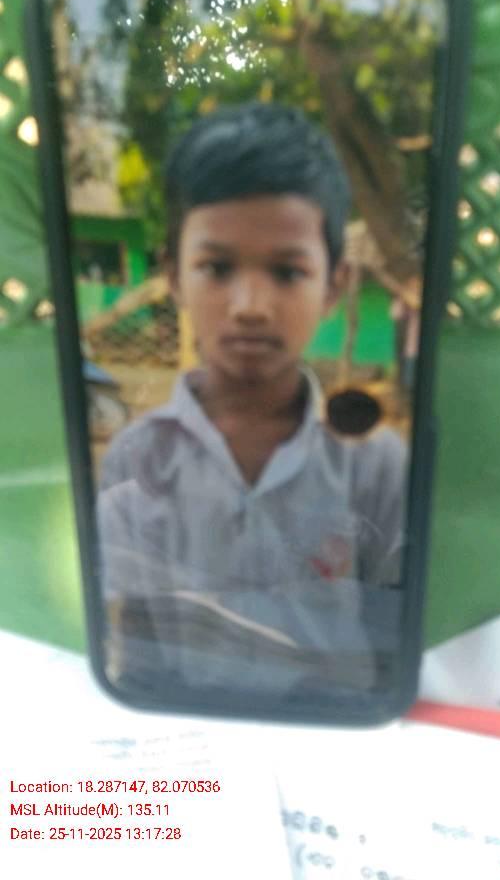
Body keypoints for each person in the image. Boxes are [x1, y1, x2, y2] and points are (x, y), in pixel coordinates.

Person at [97, 102, 407, 700]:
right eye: (217, 267)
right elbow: (138, 645)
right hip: (187, 732)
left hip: (336, 737)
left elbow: (392, 635)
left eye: (287, 273)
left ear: (334, 285)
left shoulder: (374, 464)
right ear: (174, 276)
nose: (250, 306)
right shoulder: (139, 458)